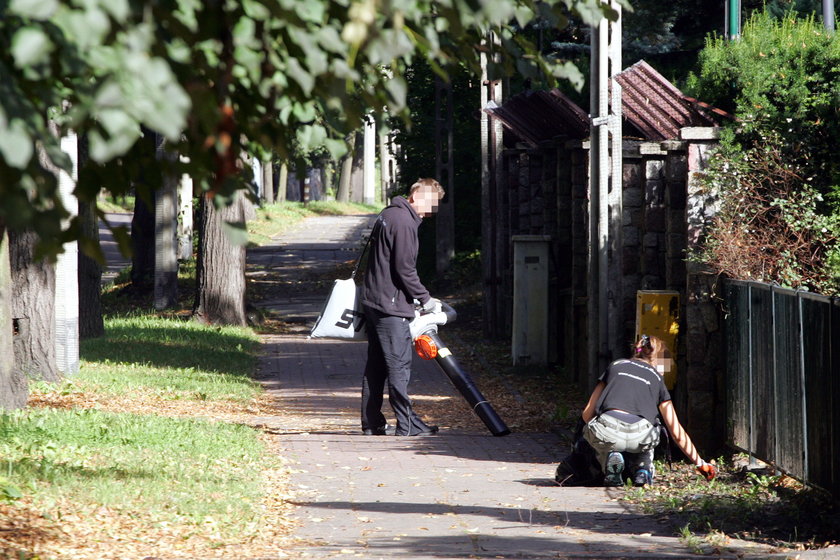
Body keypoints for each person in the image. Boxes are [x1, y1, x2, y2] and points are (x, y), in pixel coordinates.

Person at [359, 178, 445, 437]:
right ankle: (407, 425)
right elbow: (404, 269)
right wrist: (426, 300)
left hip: (374, 300)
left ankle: (371, 423)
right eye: (431, 203)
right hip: (390, 305)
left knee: (376, 366)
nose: (431, 210)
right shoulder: (405, 222)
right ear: (416, 195)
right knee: (398, 365)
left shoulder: (388, 213)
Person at [577, 334, 717, 486]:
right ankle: (643, 470)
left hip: (608, 430)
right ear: (659, 361)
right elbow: (676, 433)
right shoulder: (657, 379)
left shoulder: (615, 366)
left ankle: (610, 458)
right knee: (654, 424)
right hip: (640, 434)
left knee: (602, 436)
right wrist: (699, 463)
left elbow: (587, 413)